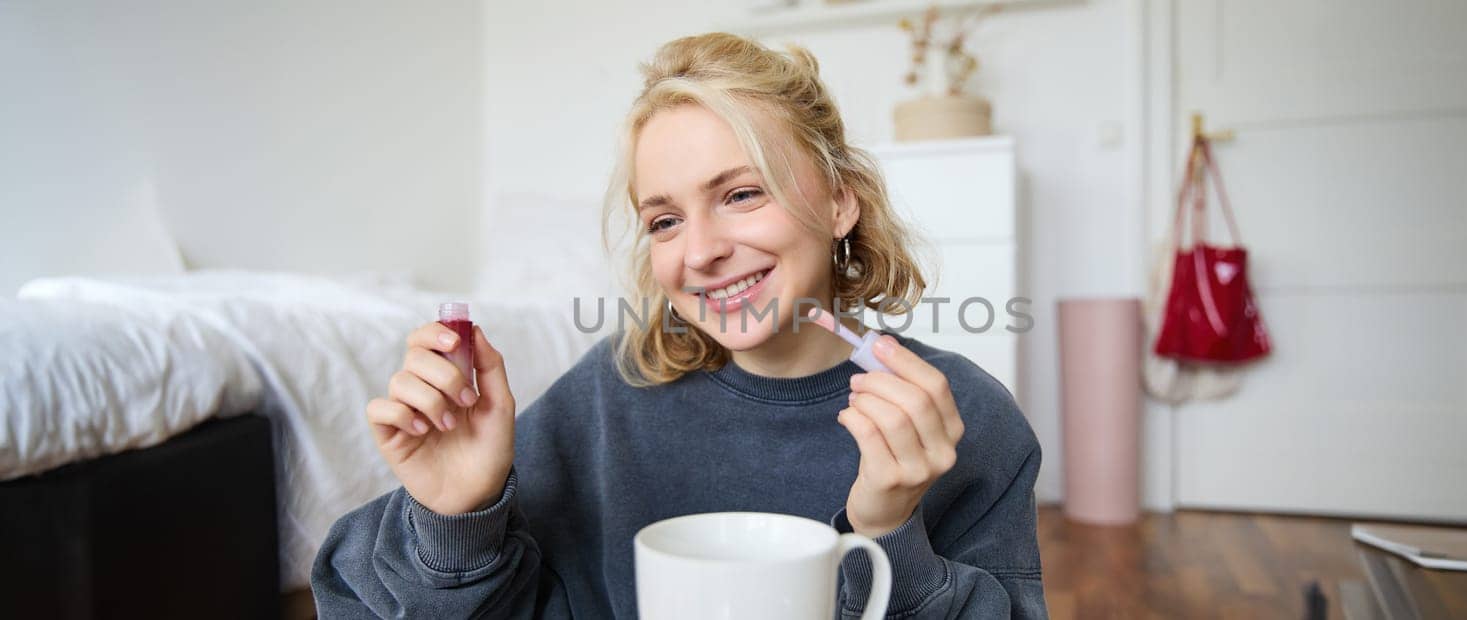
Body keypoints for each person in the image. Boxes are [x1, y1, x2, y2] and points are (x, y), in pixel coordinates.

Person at [312, 32, 1045, 619]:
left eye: (741, 194)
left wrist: (888, 533)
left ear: (839, 203)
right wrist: (456, 517)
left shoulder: (975, 422)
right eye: (664, 220)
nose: (699, 252)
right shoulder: (606, 396)